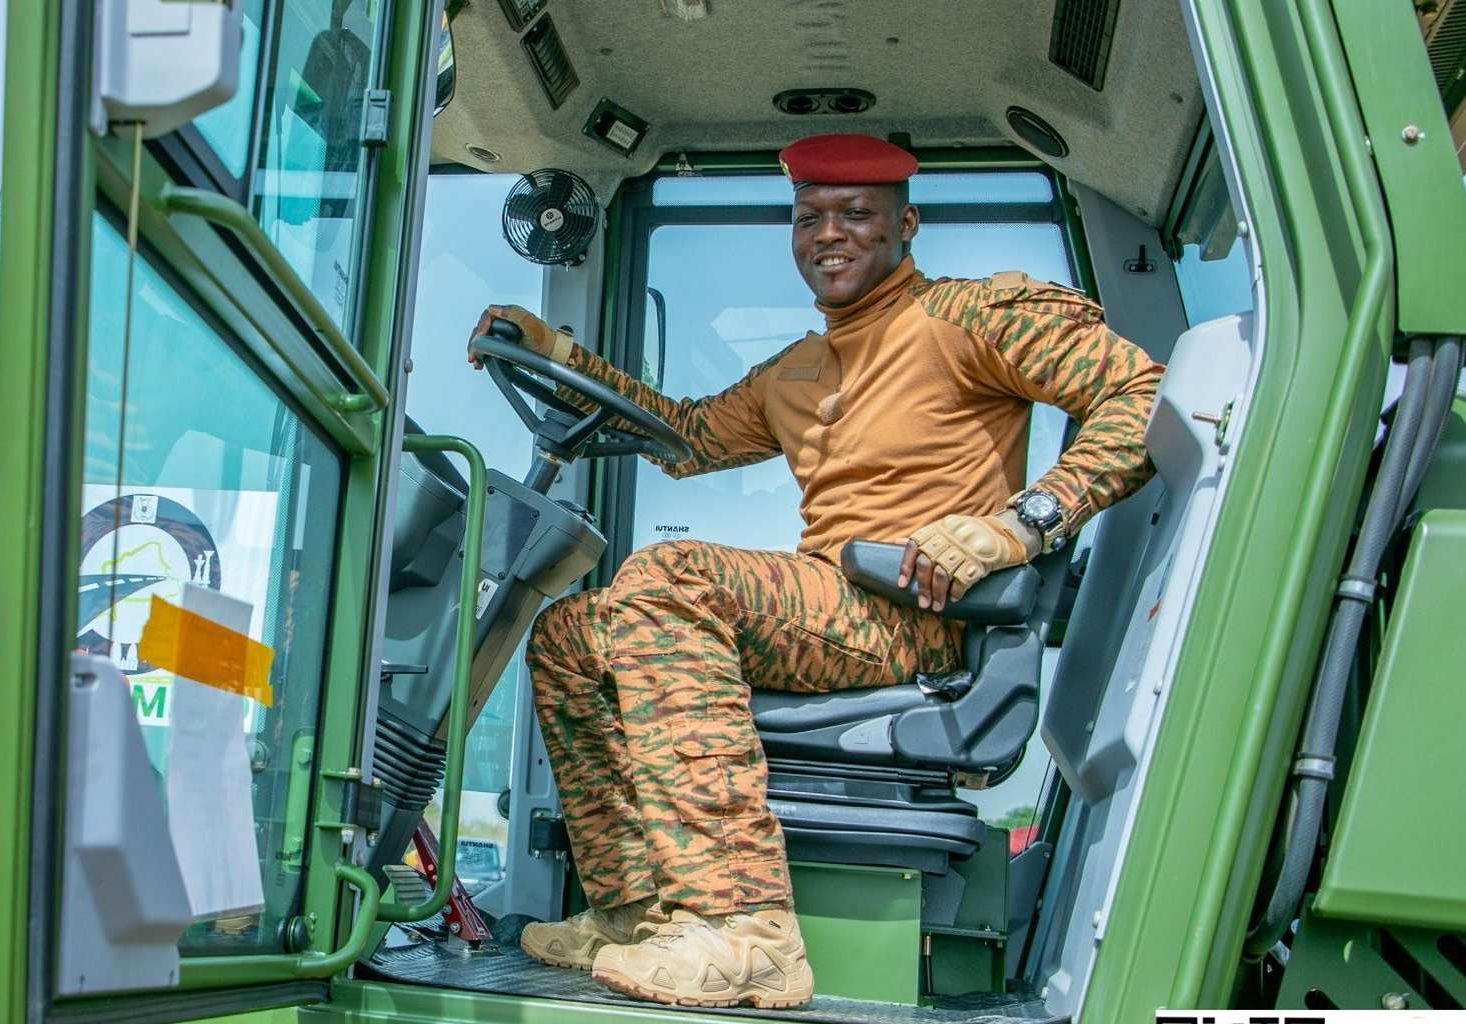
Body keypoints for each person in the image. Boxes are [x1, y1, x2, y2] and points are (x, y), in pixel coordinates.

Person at [467, 133, 1165, 1009]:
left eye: (854, 215)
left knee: (671, 575)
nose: (826, 234)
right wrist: (561, 355)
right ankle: (637, 912)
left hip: (906, 610)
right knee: (571, 632)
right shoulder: (793, 367)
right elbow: (683, 435)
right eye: (808, 218)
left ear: (904, 225)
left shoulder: (970, 316)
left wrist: (1016, 526)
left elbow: (1141, 396)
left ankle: (745, 929)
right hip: (822, 612)